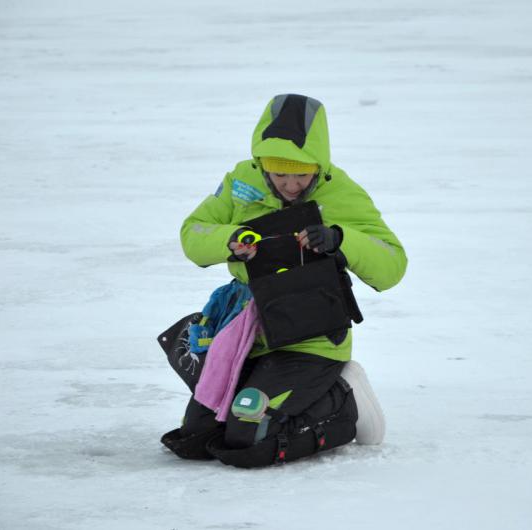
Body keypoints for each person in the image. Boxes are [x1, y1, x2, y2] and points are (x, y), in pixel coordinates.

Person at [161, 94, 407, 467]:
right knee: (195, 438)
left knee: (249, 437)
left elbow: (393, 265)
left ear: (318, 166)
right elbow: (193, 234)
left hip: (311, 339)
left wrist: (341, 239)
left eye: (301, 175)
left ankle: (347, 395)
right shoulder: (242, 181)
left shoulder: (341, 192)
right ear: (262, 166)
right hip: (250, 335)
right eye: (280, 175)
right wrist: (228, 240)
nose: (291, 186)